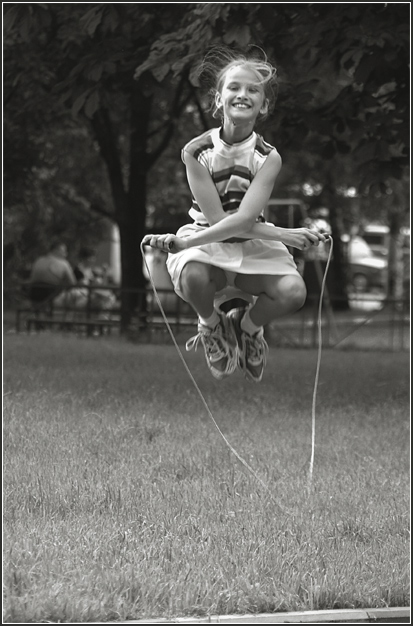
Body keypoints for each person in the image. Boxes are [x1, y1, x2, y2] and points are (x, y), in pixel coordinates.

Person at [142, 47, 326, 382]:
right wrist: (284, 234)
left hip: (251, 242)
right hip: (207, 240)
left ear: (264, 105)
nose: (243, 94)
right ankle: (212, 326)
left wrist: (185, 242)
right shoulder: (196, 152)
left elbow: (243, 221)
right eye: (234, 87)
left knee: (294, 293)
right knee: (193, 276)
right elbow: (221, 225)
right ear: (218, 99)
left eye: (253, 90)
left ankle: (246, 328)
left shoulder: (267, 157)